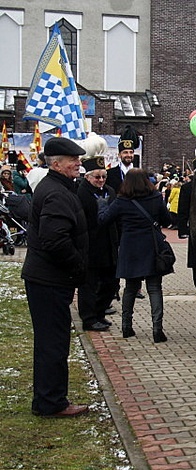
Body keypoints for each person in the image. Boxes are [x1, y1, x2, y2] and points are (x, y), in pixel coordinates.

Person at [21, 137, 90, 418]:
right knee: (53, 343)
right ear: (57, 164)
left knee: (51, 341)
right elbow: (55, 240)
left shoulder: (57, 188)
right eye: (73, 160)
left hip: (47, 279)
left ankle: (48, 400)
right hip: (49, 280)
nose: (78, 164)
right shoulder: (57, 193)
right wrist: (77, 267)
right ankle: (51, 402)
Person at [98, 168, 173, 343]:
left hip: (130, 248)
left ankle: (127, 327)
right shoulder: (155, 198)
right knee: (154, 288)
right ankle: (157, 329)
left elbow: (104, 220)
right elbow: (167, 220)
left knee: (131, 287)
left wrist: (102, 205)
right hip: (152, 247)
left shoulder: (121, 201)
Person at [77, 146, 120, 332]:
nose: (101, 180)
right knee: (90, 285)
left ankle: (100, 312)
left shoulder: (110, 191)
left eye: (103, 176)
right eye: (97, 177)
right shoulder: (82, 192)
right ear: (88, 177)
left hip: (109, 244)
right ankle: (88, 318)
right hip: (91, 245)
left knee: (110, 283)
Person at [106, 125, 139, 194]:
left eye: (131, 152)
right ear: (119, 155)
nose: (129, 155)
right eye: (125, 152)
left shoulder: (140, 174)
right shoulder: (110, 174)